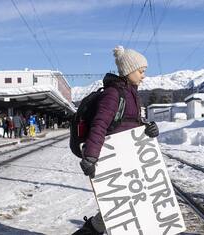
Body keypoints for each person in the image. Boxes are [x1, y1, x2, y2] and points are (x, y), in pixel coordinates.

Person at [72, 46, 159, 235]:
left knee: (121, 209)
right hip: (111, 160)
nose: (143, 76)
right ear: (129, 70)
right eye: (141, 71)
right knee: (117, 210)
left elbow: (130, 124)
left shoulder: (132, 94)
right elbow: (100, 125)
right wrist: (91, 158)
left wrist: (149, 130)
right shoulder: (113, 94)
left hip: (127, 157)